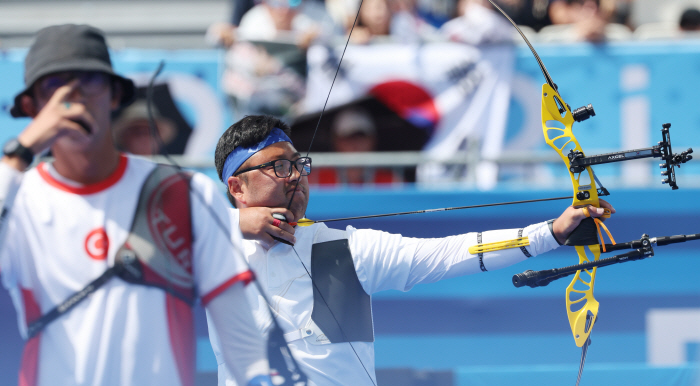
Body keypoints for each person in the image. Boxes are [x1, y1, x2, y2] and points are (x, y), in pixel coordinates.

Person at [211, 114, 615, 385]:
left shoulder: (344, 249)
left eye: (299, 164)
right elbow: (152, 239)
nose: (296, 175)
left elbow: (453, 253)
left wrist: (553, 232)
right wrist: (235, 224)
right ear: (237, 187)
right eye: (279, 167)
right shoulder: (210, 250)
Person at [0, 24, 275, 386]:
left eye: (88, 82)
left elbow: (241, 342)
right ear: (31, 106)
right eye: (54, 86)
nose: (72, 99)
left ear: (114, 95)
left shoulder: (186, 193)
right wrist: (22, 149)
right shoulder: (19, 198)